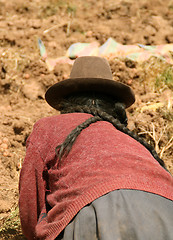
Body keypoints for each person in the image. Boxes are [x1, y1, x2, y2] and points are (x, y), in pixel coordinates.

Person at [19, 56, 173, 240]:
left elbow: (30, 204)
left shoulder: (49, 127)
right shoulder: (129, 138)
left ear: (66, 102)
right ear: (115, 106)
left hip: (98, 213)